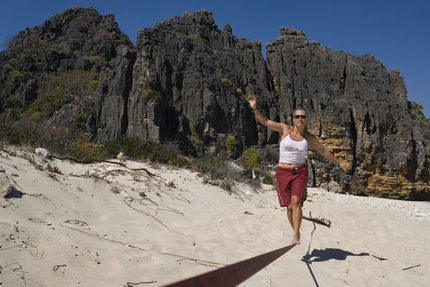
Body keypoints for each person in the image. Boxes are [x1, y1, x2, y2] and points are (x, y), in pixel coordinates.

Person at [247, 95, 351, 245]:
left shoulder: (308, 138)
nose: (300, 119)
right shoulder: (284, 129)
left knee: (296, 202)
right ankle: (296, 229)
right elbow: (266, 122)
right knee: (289, 208)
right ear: (293, 118)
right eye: (297, 116)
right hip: (282, 172)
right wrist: (255, 108)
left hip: (299, 172)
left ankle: (295, 235)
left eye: (303, 117)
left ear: (306, 119)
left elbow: (323, 150)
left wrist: (339, 162)